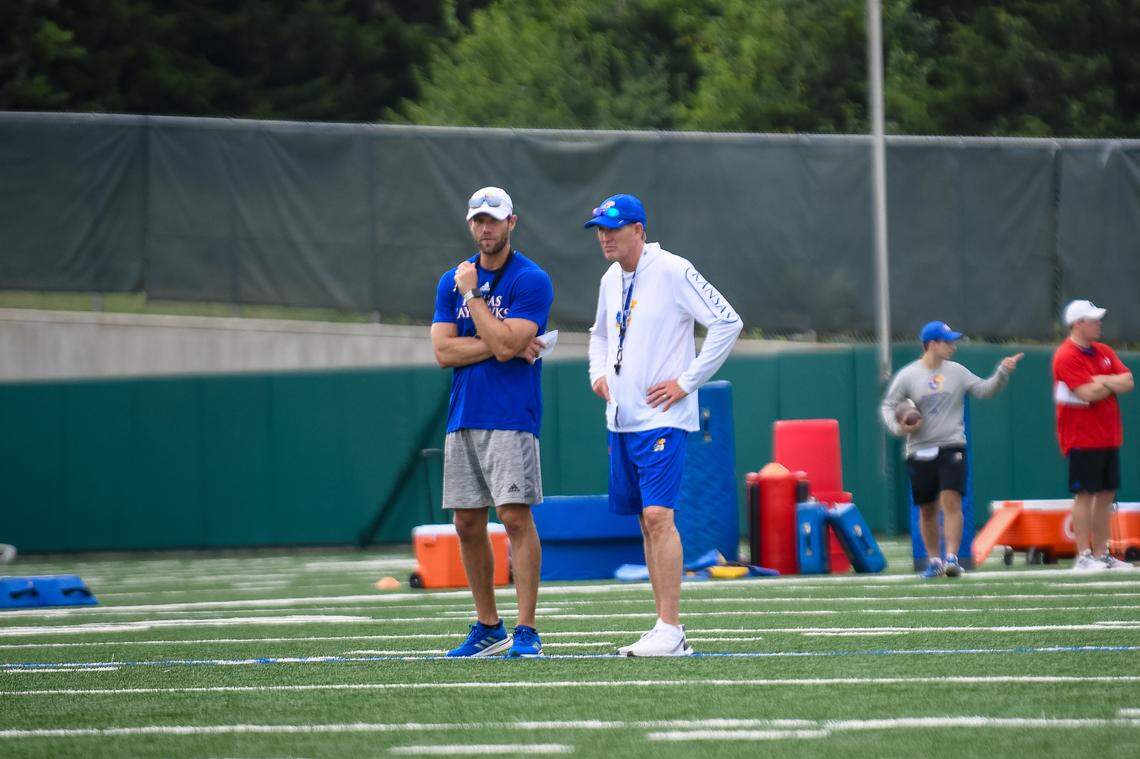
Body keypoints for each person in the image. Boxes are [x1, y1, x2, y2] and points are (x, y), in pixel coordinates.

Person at [585, 194, 743, 656]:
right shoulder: (611, 278)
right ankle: (662, 626)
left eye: (613, 228)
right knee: (644, 521)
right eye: (599, 228)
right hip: (622, 419)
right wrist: (597, 374)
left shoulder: (673, 269)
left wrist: (688, 382)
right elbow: (598, 334)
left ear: (639, 229)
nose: (605, 236)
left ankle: (672, 628)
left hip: (662, 418)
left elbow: (727, 322)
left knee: (659, 516)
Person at [430, 186, 554, 657]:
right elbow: (444, 352)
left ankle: (526, 630)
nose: (486, 228)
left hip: (510, 414)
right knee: (465, 521)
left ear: (511, 224)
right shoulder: (450, 280)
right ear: (470, 224)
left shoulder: (531, 280)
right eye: (479, 220)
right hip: (464, 414)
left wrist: (476, 299)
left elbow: (505, 345)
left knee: (515, 516)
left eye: (494, 220)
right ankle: (488, 625)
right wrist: (500, 342)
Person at [881, 321, 1023, 578]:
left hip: (952, 445)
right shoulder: (908, 375)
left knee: (952, 499)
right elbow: (889, 406)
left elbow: (984, 390)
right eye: (948, 342)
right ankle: (933, 559)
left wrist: (1002, 372)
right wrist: (899, 427)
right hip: (919, 449)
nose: (953, 346)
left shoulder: (956, 371)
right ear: (932, 344)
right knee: (927, 508)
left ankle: (952, 558)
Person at [1053, 299, 1135, 571]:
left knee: (1106, 496)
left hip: (1108, 436)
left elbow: (1128, 381)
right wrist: (1107, 383)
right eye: (1093, 320)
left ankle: (1102, 553)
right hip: (1081, 438)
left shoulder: (1104, 351)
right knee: (1085, 495)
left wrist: (1102, 381)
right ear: (1078, 324)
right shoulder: (1066, 355)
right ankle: (1084, 555)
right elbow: (1086, 393)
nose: (1099, 324)